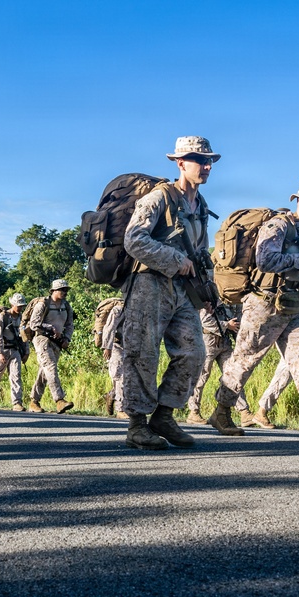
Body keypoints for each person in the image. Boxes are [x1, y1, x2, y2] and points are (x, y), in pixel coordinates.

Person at [209, 182, 299, 442]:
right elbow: (264, 260)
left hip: (296, 305)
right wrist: (298, 260)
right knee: (245, 360)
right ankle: (221, 412)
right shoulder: (278, 225)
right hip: (265, 305)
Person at [119, 136, 219, 450]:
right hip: (150, 284)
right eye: (198, 160)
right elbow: (134, 239)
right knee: (142, 353)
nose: (206, 166)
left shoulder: (201, 206)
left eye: (209, 161)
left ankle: (163, 416)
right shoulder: (159, 198)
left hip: (184, 289)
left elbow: (201, 252)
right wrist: (176, 260)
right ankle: (137, 425)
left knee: (194, 353)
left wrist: (208, 286)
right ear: (180, 163)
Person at [185, 303, 244, 424]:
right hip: (208, 342)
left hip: (225, 342)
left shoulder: (232, 301)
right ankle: (193, 411)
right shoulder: (210, 298)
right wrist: (227, 325)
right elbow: (205, 321)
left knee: (233, 376)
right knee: (201, 376)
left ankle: (244, 411)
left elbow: (236, 322)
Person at [27, 280, 75, 414]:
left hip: (57, 342)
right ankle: (59, 400)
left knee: (44, 372)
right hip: (42, 339)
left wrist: (67, 338)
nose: (65, 292)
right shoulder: (43, 304)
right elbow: (33, 324)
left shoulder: (66, 306)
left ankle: (34, 401)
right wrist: (50, 327)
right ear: (54, 290)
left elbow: (70, 324)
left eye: (66, 290)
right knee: (50, 367)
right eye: (62, 289)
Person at [100, 299, 128, 419]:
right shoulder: (118, 309)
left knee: (130, 378)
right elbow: (109, 328)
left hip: (130, 346)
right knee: (120, 376)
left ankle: (112, 395)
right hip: (116, 345)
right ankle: (120, 409)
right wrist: (107, 347)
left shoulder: (140, 310)